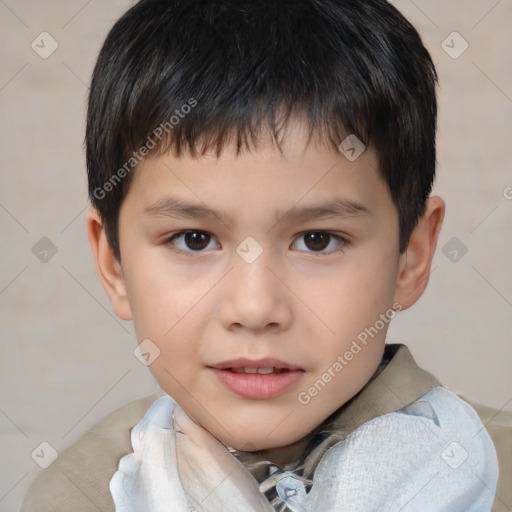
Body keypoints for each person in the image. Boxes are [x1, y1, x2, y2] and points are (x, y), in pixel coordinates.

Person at [21, 0, 504, 510]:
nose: (254, 309)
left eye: (317, 240)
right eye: (194, 239)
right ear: (113, 263)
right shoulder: (83, 494)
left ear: (411, 254)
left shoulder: (496, 470)